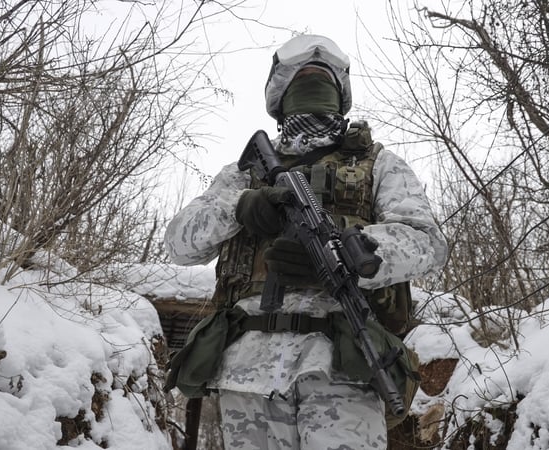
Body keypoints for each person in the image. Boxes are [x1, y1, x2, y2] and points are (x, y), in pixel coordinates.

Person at [164, 34, 447, 449]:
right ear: (282, 94)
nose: (312, 91)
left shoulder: (378, 163)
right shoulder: (244, 173)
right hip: (247, 370)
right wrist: (241, 207)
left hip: (343, 363)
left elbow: (427, 242)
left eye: (322, 81)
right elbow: (179, 244)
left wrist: (351, 255)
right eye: (303, 80)